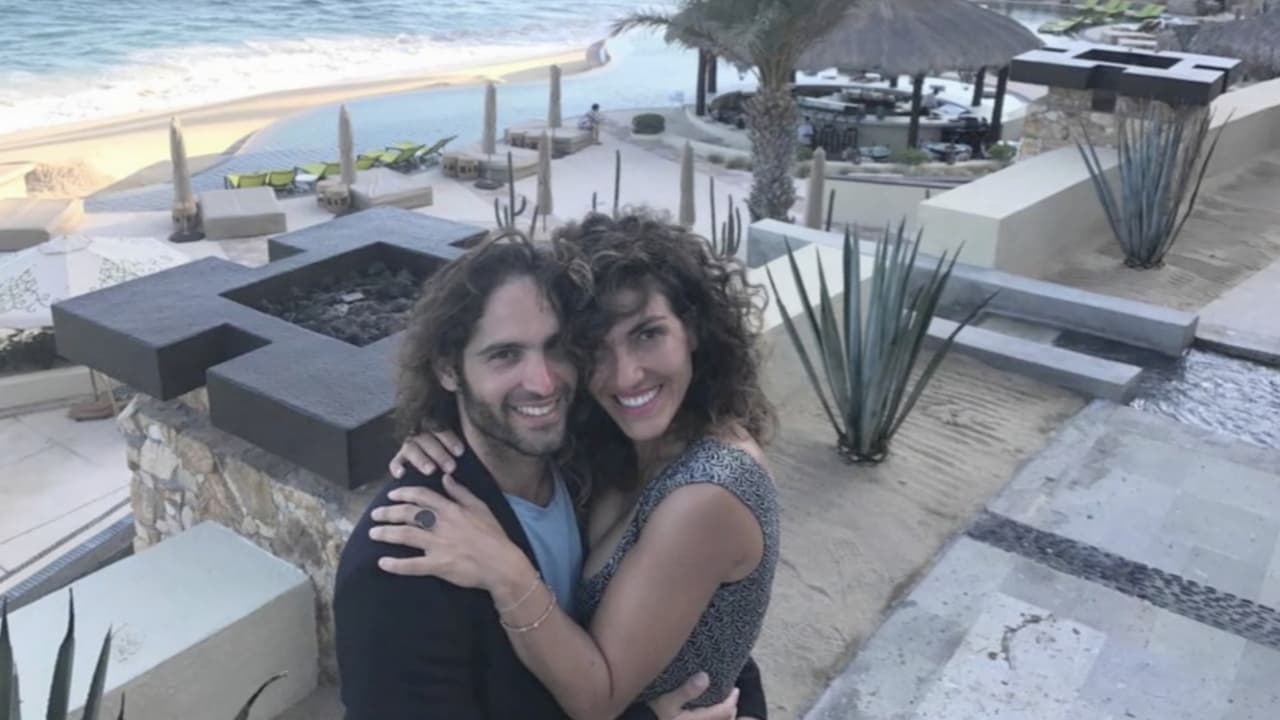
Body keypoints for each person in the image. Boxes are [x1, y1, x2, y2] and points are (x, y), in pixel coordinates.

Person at [333, 236, 764, 720]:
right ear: (449, 370)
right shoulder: (402, 561)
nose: (542, 383)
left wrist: (736, 698)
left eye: (557, 347)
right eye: (504, 355)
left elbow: (694, 610)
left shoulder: (587, 460)